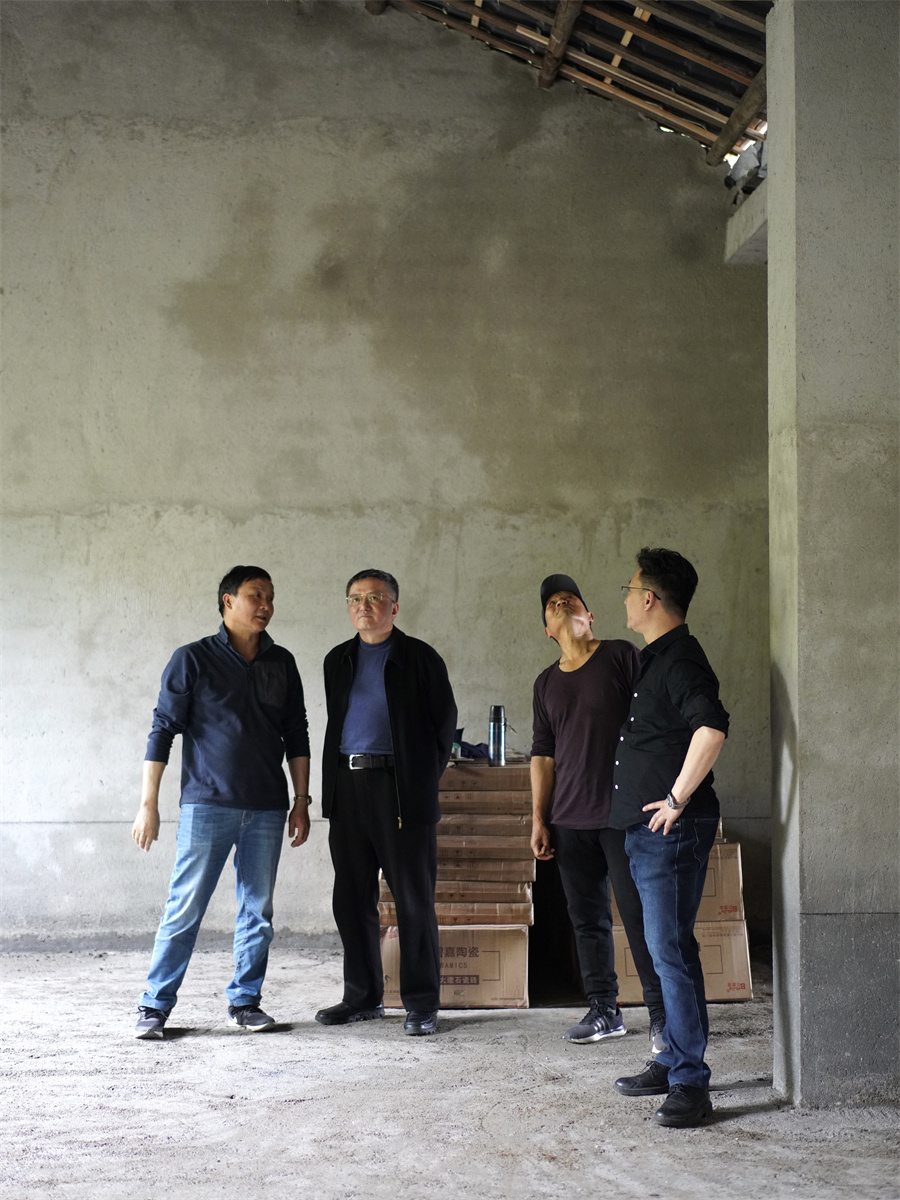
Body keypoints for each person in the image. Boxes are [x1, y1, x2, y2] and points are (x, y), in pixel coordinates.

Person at [131, 566, 311, 1038]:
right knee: (184, 908)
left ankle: (245, 1002)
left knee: (258, 912)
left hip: (268, 807)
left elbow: (297, 733)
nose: (266, 605)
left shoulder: (282, 662)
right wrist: (148, 803)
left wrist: (301, 800)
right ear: (228, 601)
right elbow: (162, 730)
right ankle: (154, 1006)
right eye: (256, 595)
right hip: (207, 805)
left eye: (270, 597)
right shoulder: (192, 659)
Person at [610, 548, 729, 1128]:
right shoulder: (655, 658)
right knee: (665, 952)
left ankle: (690, 1084)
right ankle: (672, 1059)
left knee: (671, 953)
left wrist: (677, 799)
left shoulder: (681, 658)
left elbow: (712, 728)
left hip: (670, 833)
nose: (626, 600)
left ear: (651, 598)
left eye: (631, 590)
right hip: (646, 833)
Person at [315, 569, 457, 1037]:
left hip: (400, 792)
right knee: (351, 899)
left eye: (375, 597)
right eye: (355, 598)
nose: (364, 605)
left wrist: (418, 781)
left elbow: (443, 726)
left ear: (394, 607)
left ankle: (422, 1003)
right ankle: (362, 997)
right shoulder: (337, 660)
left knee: (412, 900)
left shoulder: (420, 658)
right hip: (348, 789)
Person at [531, 574, 666, 1051]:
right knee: (587, 921)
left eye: (570, 599)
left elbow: (654, 722)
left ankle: (662, 1016)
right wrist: (539, 818)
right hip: (570, 819)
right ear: (547, 630)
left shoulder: (620, 656)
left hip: (622, 815)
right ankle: (605, 1009)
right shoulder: (545, 683)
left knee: (639, 918)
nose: (561, 603)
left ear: (589, 616)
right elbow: (543, 755)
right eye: (552, 603)